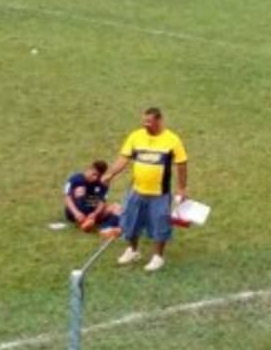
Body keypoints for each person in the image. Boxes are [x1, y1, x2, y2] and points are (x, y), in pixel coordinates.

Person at [102, 107, 188, 273]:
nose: (145, 124)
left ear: (159, 120)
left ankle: (158, 257)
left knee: (160, 223)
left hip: (159, 194)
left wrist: (182, 188)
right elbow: (123, 158)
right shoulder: (136, 136)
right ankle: (133, 251)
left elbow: (182, 164)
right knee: (130, 221)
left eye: (149, 121)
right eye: (144, 121)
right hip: (137, 190)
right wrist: (110, 174)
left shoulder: (172, 140)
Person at [63, 161, 122, 237]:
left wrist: (95, 213)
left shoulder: (102, 182)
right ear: (90, 169)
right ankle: (85, 222)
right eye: (94, 174)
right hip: (76, 212)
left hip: (92, 211)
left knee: (117, 207)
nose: (95, 178)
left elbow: (102, 201)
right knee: (80, 190)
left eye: (98, 176)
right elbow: (67, 197)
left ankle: (106, 229)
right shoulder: (75, 178)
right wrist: (76, 213)